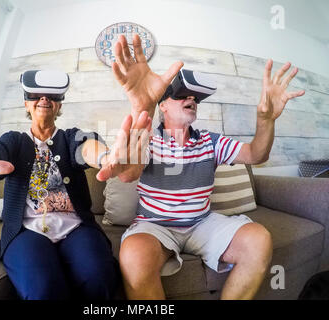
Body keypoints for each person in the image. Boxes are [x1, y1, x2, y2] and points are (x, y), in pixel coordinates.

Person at [0, 68, 161, 300]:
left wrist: (105, 157)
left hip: (76, 229)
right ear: (26, 104)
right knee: (42, 290)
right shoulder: (14, 141)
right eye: (36, 95)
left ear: (59, 106)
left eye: (52, 96)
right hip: (27, 232)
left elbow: (86, 146)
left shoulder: (69, 137)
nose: (44, 99)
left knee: (99, 277)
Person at [111, 34, 306, 300]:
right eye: (181, 94)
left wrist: (266, 119)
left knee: (258, 240)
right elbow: (127, 174)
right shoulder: (148, 138)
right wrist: (139, 110)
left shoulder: (210, 141)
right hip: (154, 226)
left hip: (202, 223)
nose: (191, 98)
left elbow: (256, 154)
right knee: (133, 255)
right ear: (163, 105)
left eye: (196, 97)